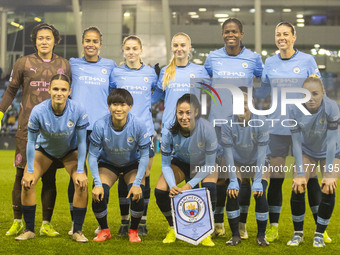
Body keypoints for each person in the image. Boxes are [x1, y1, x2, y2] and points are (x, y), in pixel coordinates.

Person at [255, 22, 327, 243]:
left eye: (286, 34)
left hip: (304, 130)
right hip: (277, 129)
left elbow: (318, 91)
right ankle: (273, 227)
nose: (281, 37)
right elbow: (263, 90)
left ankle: (319, 230)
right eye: (278, 34)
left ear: (294, 37)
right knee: (276, 179)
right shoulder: (270, 62)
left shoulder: (307, 61)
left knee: (311, 178)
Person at [0, 23, 71, 237]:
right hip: (27, 127)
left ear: (55, 41)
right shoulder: (23, 63)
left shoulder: (64, 65)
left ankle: (45, 223)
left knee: (49, 176)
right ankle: (18, 221)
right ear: (35, 41)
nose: (44, 41)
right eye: (40, 38)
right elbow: (11, 91)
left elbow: (70, 94)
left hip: (53, 129)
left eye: (48, 38)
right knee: (21, 174)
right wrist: (0, 113)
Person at [204, 17, 263, 237]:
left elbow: (267, 81)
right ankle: (218, 223)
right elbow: (201, 79)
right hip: (217, 124)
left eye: (235, 31)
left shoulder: (254, 59)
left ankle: (242, 224)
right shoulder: (212, 58)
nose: (231, 35)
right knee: (220, 176)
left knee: (243, 176)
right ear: (222, 34)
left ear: (241, 34)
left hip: (242, 126)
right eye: (227, 31)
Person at [15, 74, 89, 242]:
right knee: (27, 182)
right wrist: (30, 171)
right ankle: (29, 230)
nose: (59, 93)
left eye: (63, 89)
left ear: (69, 91)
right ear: (49, 90)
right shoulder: (38, 110)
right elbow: (31, 141)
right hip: (45, 151)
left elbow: (82, 142)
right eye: (55, 89)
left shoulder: (78, 109)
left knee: (82, 183)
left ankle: (77, 231)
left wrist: (80, 171)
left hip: (70, 151)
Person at [68, 26, 116, 235]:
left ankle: (101, 222)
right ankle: (74, 223)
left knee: (102, 175)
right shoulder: (72, 64)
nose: (91, 44)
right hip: (77, 128)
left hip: (101, 128)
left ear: (100, 44)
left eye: (95, 41)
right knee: (78, 174)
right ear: (83, 42)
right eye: (87, 40)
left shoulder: (110, 66)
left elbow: (117, 91)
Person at [110, 35, 158, 236]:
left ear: (141, 51)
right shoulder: (115, 73)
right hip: (122, 131)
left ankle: (142, 222)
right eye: (127, 48)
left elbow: (156, 93)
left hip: (145, 131)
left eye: (134, 48)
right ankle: (124, 222)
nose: (131, 52)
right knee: (123, 174)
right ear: (123, 51)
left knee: (144, 176)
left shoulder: (151, 74)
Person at [155, 94, 217, 247]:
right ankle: (173, 227)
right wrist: (173, 186)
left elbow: (210, 164)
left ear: (196, 112)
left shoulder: (207, 128)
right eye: (180, 113)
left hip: (204, 164)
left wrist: (189, 185)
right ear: (176, 113)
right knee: (160, 190)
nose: (184, 117)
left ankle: (206, 232)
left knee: (210, 188)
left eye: (188, 112)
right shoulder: (169, 129)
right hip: (182, 163)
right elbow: (165, 164)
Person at [88, 88, 149, 243]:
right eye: (115, 104)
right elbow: (93, 155)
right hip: (109, 164)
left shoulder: (139, 125)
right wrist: (96, 183)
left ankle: (133, 231)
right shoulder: (100, 124)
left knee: (137, 192)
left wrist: (136, 183)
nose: (119, 108)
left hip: (131, 165)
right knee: (99, 194)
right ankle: (104, 231)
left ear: (130, 107)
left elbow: (144, 156)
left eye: (123, 105)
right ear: (109, 107)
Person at [287, 75, 339, 247]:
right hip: (307, 151)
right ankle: (298, 234)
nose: (310, 99)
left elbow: (332, 142)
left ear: (323, 93)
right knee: (298, 186)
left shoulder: (332, 107)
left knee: (328, 187)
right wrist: (300, 174)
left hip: (330, 151)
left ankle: (319, 234)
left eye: (315, 94)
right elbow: (295, 142)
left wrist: (330, 173)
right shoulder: (294, 109)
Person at [221, 91, 269, 246]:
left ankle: (261, 236)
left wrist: (257, 180)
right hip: (237, 161)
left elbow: (262, 154)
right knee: (232, 192)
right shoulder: (227, 123)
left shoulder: (261, 121)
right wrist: (233, 180)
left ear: (252, 105)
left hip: (257, 161)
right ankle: (236, 235)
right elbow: (228, 154)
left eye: (245, 103)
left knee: (260, 192)